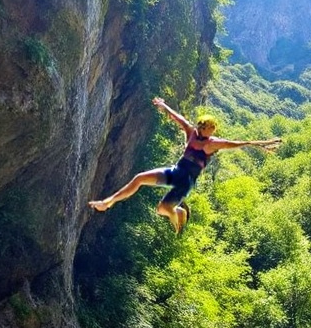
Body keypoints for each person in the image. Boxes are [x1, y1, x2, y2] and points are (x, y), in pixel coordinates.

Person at [89, 97, 282, 232]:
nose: (210, 133)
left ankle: (178, 214)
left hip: (186, 182)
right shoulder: (191, 133)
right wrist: (163, 106)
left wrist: (261, 144)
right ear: (201, 127)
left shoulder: (212, 144)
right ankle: (107, 203)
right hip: (175, 171)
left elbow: (236, 143)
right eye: (208, 129)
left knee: (161, 209)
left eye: (212, 130)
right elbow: (178, 118)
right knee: (139, 178)